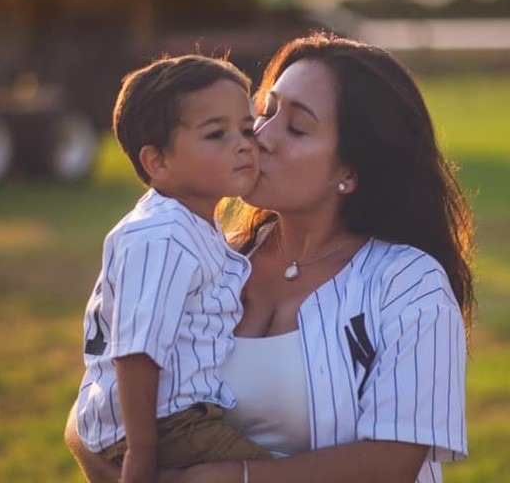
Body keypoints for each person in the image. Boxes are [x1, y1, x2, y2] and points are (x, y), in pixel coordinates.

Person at [65, 32, 474, 483]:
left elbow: (392, 464)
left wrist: (229, 478)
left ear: (350, 172)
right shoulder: (209, 257)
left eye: (296, 127)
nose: (259, 138)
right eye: (262, 112)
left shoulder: (410, 285)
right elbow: (99, 404)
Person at [73, 54, 271, 483]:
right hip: (161, 425)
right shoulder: (161, 236)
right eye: (216, 134)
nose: (243, 144)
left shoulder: (193, 221)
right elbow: (137, 352)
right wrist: (142, 457)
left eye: (246, 128)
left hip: (176, 418)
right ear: (158, 162)